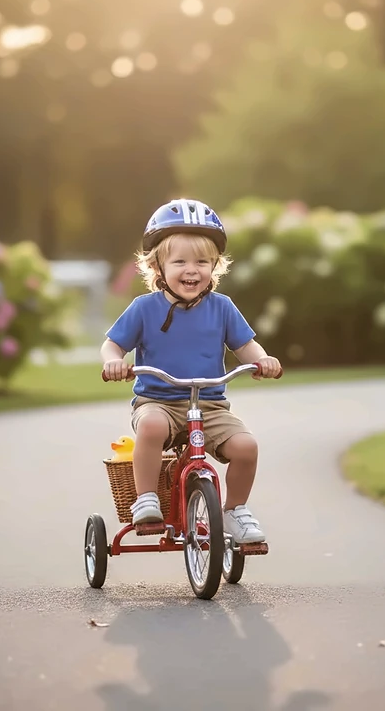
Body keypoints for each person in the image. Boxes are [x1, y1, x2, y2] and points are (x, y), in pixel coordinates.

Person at [100, 198, 282, 544]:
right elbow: (112, 345)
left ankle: (234, 511)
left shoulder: (222, 308)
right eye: (180, 261)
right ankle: (146, 498)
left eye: (203, 261)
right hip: (158, 401)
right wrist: (113, 361)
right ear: (157, 266)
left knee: (246, 447)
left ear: (215, 266)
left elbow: (246, 345)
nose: (192, 270)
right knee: (151, 426)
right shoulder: (144, 308)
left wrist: (263, 359)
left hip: (210, 406)